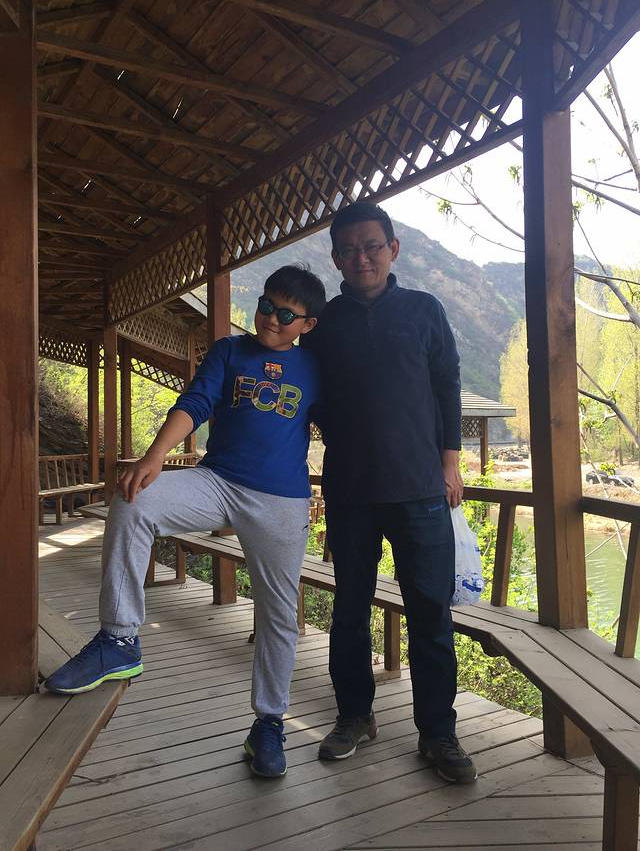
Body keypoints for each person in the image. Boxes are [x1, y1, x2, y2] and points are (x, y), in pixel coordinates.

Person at [44, 265, 326, 779]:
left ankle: (268, 723)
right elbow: (195, 403)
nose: (271, 318)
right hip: (216, 481)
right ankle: (119, 639)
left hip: (281, 500)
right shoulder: (229, 351)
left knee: (278, 614)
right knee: (135, 500)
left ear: (307, 325)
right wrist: (154, 455)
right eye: (266, 305)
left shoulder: (316, 367)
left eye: (286, 315)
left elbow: (344, 425)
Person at [304, 202, 477, 784]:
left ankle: (438, 733)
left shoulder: (424, 310)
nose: (362, 258)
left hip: (421, 491)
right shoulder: (324, 324)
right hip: (350, 492)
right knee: (349, 611)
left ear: (393, 249)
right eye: (349, 250)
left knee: (430, 615)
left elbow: (448, 385)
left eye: (372, 246)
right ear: (336, 259)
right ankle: (354, 716)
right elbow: (306, 397)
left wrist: (450, 462)